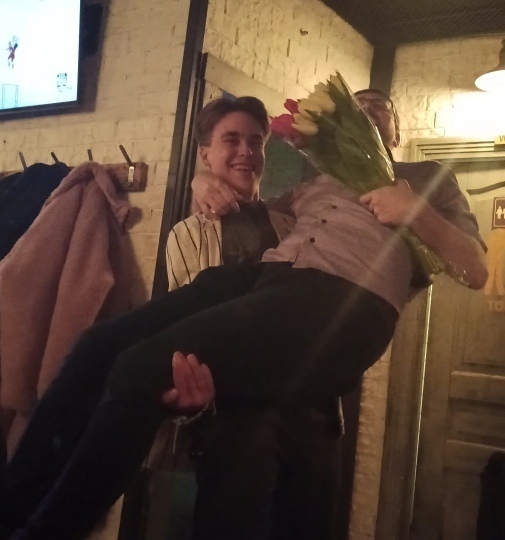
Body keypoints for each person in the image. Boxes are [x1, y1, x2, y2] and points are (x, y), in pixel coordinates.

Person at [0, 93, 487, 540]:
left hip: (345, 300)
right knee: (97, 346)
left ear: (397, 132)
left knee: (138, 368)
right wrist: (203, 180)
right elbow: (249, 209)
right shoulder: (316, 185)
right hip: (267, 281)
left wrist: (416, 211)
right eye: (357, 105)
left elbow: (477, 269)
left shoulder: (429, 178)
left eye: (380, 106)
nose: (366, 110)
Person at [160, 96, 343, 540]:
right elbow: (191, 325)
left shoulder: (293, 222)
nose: (246, 151)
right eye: (231, 140)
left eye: (255, 141)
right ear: (205, 153)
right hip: (237, 418)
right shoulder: (187, 234)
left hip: (311, 413)